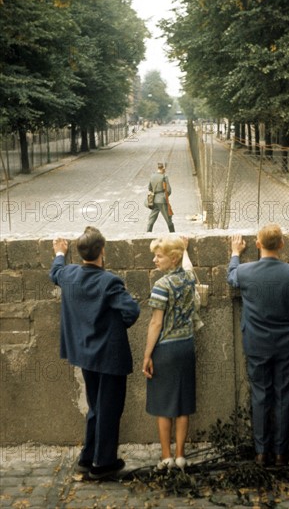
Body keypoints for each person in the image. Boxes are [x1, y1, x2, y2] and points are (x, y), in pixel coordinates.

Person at [49, 227, 140, 480]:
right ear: (102, 251)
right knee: (109, 409)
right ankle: (103, 464)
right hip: (110, 356)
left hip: (85, 354)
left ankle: (87, 456)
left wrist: (59, 252)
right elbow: (131, 312)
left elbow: (54, 272)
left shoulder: (68, 274)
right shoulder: (109, 281)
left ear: (79, 253)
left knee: (95, 407)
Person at [227, 225, 289, 466]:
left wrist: (235, 253)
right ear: (282, 245)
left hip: (256, 343)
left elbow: (231, 276)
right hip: (286, 343)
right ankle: (280, 452)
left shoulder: (245, 272)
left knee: (260, 394)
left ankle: (260, 451)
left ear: (257, 245)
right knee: (283, 395)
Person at [142, 236, 196, 470]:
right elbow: (188, 267)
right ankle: (181, 456)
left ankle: (166, 457)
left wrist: (147, 355)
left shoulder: (161, 286)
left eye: (159, 256)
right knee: (183, 404)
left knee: (164, 405)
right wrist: (185, 249)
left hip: (165, 348)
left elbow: (155, 323)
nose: (154, 259)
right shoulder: (189, 278)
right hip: (186, 346)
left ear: (172, 258)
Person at [146, 162, 175, 233]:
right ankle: (173, 234)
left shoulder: (152, 176)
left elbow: (149, 188)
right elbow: (168, 190)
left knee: (152, 218)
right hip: (162, 200)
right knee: (168, 219)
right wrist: (165, 196)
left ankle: (148, 232)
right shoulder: (164, 176)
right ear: (163, 168)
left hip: (154, 200)